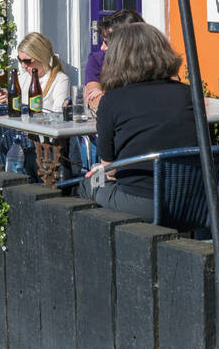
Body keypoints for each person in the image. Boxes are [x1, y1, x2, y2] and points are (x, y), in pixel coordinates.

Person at [80, 24, 197, 222]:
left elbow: (111, 171)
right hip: (194, 201)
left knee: (87, 184)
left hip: (143, 203)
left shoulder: (112, 100)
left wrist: (103, 171)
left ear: (117, 58)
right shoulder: (188, 94)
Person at [82, 9, 143, 111]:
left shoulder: (154, 62)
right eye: (103, 41)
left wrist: (107, 95)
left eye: (108, 42)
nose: (102, 47)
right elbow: (94, 99)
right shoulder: (97, 59)